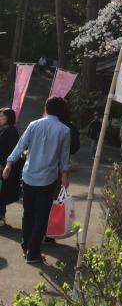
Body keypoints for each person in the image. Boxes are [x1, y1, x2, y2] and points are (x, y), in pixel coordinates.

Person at [1, 97, 70, 264]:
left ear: (46, 108)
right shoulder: (64, 130)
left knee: (28, 213)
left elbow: (20, 145)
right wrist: (65, 176)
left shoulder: (34, 124)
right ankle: (33, 252)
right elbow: (64, 157)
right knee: (41, 216)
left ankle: (26, 246)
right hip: (48, 178)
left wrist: (9, 163)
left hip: (29, 176)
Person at [0, 108, 20, 228]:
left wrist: (3, 164)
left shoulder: (11, 131)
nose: (0, 118)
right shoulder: (3, 130)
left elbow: (13, 151)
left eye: (2, 116)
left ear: (9, 118)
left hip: (2, 167)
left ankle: (1, 216)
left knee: (1, 192)